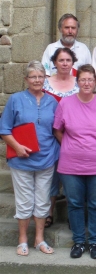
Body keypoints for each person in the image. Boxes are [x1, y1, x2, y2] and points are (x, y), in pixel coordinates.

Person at [0, 61, 59, 256]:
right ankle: (22, 239)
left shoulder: (52, 101)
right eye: (32, 77)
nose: (36, 80)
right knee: (25, 202)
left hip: (47, 158)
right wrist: (16, 147)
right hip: (21, 159)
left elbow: (57, 129)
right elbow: (4, 129)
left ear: (45, 79)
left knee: (42, 201)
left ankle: (39, 239)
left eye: (40, 76)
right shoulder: (16, 99)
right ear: (26, 79)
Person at [53, 64, 96, 259]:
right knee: (75, 203)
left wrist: (95, 146)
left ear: (95, 82)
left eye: (90, 79)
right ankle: (78, 241)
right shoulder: (65, 103)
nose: (86, 83)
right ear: (77, 82)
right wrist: (70, 146)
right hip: (71, 164)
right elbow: (57, 130)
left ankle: (94, 242)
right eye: (82, 80)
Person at [42, 48, 80, 228]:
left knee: (73, 177)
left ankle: (74, 214)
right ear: (54, 63)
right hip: (49, 135)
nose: (65, 64)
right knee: (51, 176)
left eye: (68, 60)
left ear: (73, 63)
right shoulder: (46, 83)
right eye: (61, 60)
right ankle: (48, 212)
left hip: (73, 137)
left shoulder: (79, 83)